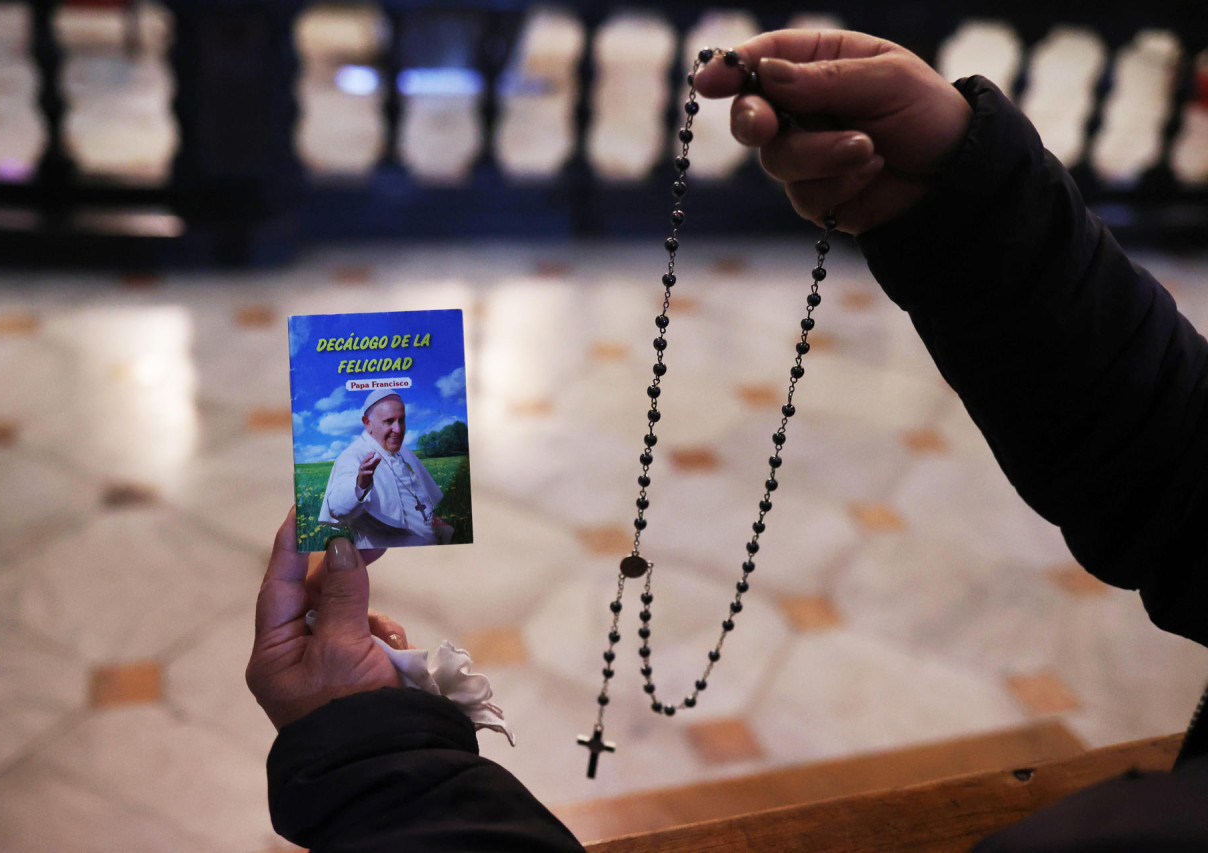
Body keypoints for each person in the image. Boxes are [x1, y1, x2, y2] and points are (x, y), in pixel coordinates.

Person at [249, 28, 1208, 852]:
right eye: (380, 419)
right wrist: (969, 194)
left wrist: (371, 756)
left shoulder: (408, 457)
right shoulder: (357, 462)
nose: (391, 425)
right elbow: (1186, 467)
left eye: (394, 417)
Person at [318, 388, 453, 549]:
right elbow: (339, 508)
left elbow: (419, 497)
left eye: (401, 420)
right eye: (389, 421)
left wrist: (437, 524)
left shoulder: (402, 450)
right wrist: (360, 484)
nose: (398, 429)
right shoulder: (352, 456)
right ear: (368, 423)